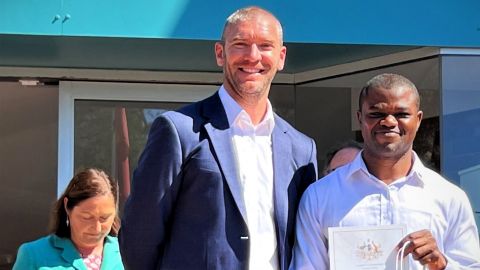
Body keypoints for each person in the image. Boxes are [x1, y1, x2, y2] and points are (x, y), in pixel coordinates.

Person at [119, 6, 317, 270]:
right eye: (240, 44)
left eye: (265, 46)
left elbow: (303, 243)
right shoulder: (179, 131)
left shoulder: (301, 149)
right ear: (220, 53)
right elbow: (139, 235)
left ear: (281, 57)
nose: (253, 56)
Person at [290, 73, 480, 269]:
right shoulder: (320, 196)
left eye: (402, 114)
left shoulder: (449, 198)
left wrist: (441, 265)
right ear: (360, 118)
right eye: (376, 114)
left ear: (418, 120)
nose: (389, 122)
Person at [13, 168, 124, 270]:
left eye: (104, 218)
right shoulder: (33, 254)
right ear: (67, 207)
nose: (97, 228)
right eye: (87, 217)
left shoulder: (127, 251)